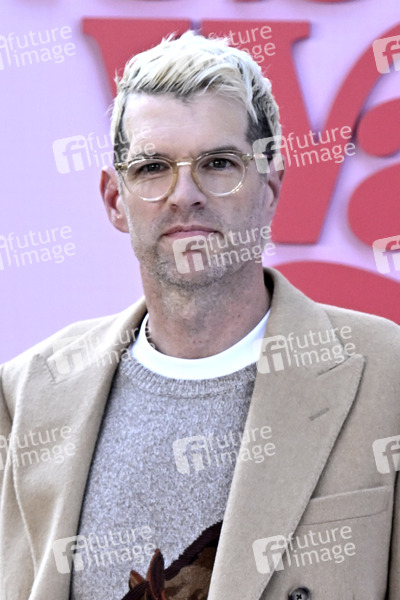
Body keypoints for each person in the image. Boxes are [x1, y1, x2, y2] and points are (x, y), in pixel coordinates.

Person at [0, 31, 399, 600]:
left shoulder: (387, 375)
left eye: (218, 163)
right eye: (152, 167)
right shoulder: (27, 394)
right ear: (115, 199)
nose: (184, 194)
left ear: (270, 186)